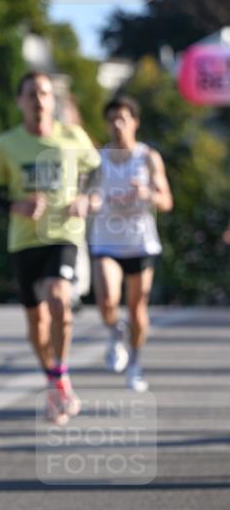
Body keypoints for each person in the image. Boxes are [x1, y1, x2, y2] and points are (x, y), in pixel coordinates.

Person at [0, 72, 100, 424]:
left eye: (44, 93)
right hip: (24, 239)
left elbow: (97, 172)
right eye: (31, 94)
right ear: (20, 101)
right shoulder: (6, 144)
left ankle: (59, 373)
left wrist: (86, 198)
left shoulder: (72, 136)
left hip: (64, 233)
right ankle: (54, 381)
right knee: (37, 319)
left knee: (59, 298)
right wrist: (15, 205)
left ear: (53, 100)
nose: (39, 100)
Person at [88, 95, 173, 391]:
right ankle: (115, 331)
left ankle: (135, 364)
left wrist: (148, 194)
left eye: (122, 119)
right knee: (107, 301)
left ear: (135, 122)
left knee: (137, 310)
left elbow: (166, 201)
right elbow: (88, 194)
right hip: (105, 242)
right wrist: (90, 202)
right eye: (112, 120)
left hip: (139, 243)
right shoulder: (97, 159)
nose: (117, 125)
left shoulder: (148, 157)